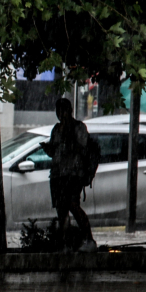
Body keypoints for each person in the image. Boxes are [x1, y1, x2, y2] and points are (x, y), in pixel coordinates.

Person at [40, 98, 96, 252]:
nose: (60, 115)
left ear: (69, 111)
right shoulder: (56, 129)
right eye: (58, 111)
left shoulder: (78, 127)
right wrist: (49, 148)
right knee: (61, 210)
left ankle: (89, 239)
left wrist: (67, 139)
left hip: (73, 174)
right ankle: (66, 244)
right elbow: (54, 152)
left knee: (73, 205)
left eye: (63, 111)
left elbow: (81, 148)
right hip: (57, 174)